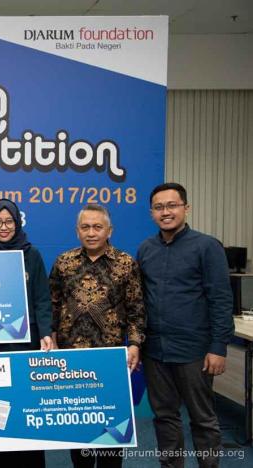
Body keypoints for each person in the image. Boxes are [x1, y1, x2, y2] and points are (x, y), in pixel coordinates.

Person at [137, 183, 234, 468]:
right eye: (159, 207)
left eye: (172, 205)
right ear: (152, 213)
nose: (165, 212)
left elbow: (221, 299)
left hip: (194, 351)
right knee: (164, 417)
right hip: (155, 351)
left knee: (203, 419)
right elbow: (139, 300)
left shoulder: (207, 246)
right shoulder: (145, 249)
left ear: (186, 208)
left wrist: (218, 347)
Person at [49, 204, 145, 468]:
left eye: (97, 227)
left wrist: (134, 344)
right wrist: (52, 338)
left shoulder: (126, 264)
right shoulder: (64, 263)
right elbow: (52, 305)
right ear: (77, 231)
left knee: (112, 431)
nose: (91, 233)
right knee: (78, 429)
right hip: (71, 362)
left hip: (110, 360)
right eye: (85, 227)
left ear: (109, 231)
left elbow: (137, 310)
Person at [0, 198, 54, 468]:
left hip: (24, 345)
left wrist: (46, 332)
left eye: (9, 222)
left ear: (17, 224)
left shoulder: (32, 254)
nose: (4, 227)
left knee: (23, 406)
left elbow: (42, 299)